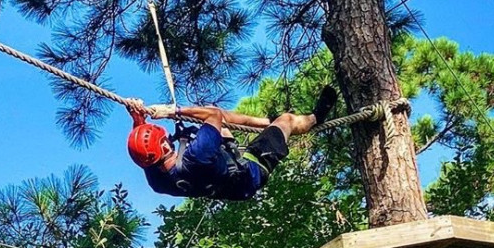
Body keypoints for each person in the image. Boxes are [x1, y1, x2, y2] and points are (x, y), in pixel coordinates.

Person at [126, 87, 338, 201]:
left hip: (228, 176)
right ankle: (313, 118)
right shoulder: (196, 156)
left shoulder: (157, 180)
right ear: (164, 148)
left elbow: (146, 153)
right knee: (287, 120)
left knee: (217, 121)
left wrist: (137, 119)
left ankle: (265, 122)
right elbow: (214, 115)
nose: (170, 139)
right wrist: (174, 111)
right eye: (166, 140)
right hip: (252, 171)